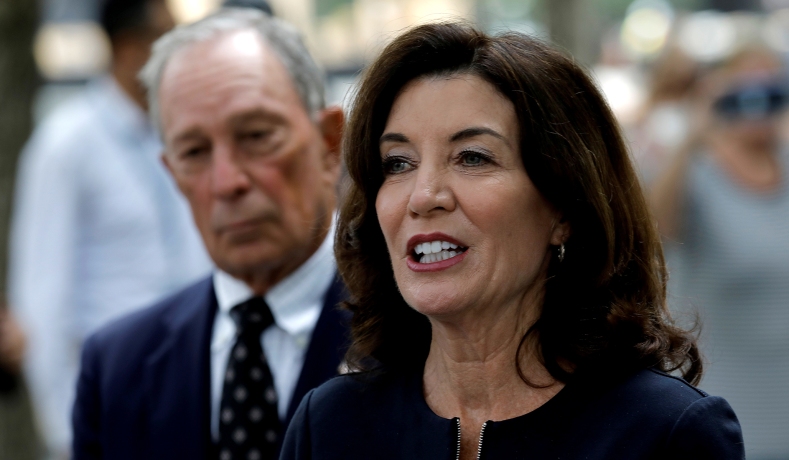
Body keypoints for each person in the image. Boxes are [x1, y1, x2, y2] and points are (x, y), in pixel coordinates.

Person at [281, 22, 745, 460]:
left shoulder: (665, 433)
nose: (423, 197)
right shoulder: (328, 426)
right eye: (398, 163)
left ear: (564, 209)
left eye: (472, 157)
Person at [71, 7, 348, 460]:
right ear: (172, 173)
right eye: (194, 152)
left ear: (329, 144)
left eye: (257, 136)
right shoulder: (116, 370)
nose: (226, 182)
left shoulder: (423, 336)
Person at [7, 0, 211, 456]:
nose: (180, 53)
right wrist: (65, 432)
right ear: (128, 47)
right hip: (111, 396)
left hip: (190, 390)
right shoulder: (67, 143)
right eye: (166, 36)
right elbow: (42, 294)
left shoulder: (181, 132)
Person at [651, 46, 789, 459]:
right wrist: (695, 130)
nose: (757, 106)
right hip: (724, 391)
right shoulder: (696, 171)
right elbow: (655, 229)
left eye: (771, 92)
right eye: (744, 92)